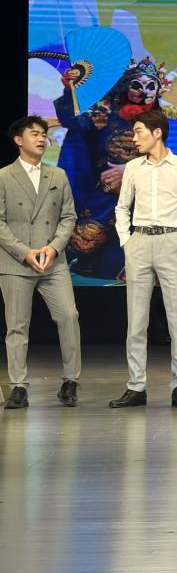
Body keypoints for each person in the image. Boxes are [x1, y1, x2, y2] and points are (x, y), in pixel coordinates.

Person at [54, 56, 177, 285]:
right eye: (137, 85)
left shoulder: (171, 116)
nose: (144, 92)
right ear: (125, 86)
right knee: (83, 239)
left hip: (160, 190)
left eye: (151, 86)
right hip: (111, 191)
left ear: (159, 88)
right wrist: (69, 89)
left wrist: (131, 171)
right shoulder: (106, 112)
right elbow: (73, 120)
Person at [109, 109, 177, 409]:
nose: (134, 138)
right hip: (139, 241)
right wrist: (126, 241)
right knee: (136, 321)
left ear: (157, 132)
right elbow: (122, 207)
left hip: (171, 241)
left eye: (139, 132)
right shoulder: (133, 168)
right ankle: (136, 386)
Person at [0, 116, 81, 408]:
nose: (41, 138)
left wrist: (54, 248)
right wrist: (24, 252)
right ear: (18, 140)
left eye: (43, 134)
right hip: (16, 262)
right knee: (17, 325)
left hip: (52, 262)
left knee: (69, 316)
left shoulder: (58, 175)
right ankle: (18, 386)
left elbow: (69, 216)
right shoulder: (3, 176)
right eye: (34, 133)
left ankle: (71, 381)